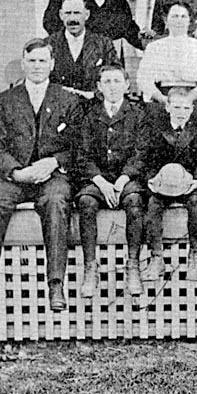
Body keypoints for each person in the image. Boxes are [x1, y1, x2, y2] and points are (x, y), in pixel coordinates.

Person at [0, 39, 82, 316]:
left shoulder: (68, 101)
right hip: (15, 177)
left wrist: (54, 162)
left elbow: (78, 148)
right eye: (32, 61)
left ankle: (55, 285)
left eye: (42, 61)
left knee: (56, 201)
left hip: (52, 177)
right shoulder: (5, 101)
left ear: (52, 64)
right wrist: (17, 172)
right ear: (23, 63)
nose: (37, 66)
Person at [74, 65, 148, 298]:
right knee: (86, 201)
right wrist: (101, 182)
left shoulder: (138, 115)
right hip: (98, 180)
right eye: (107, 82)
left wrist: (124, 178)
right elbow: (82, 155)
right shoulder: (90, 117)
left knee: (135, 200)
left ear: (127, 85)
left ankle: (133, 266)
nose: (112, 87)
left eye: (117, 81)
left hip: (128, 179)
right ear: (98, 87)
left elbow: (142, 153)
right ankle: (90, 267)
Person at [142, 88, 197, 288]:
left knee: (195, 202)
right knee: (153, 204)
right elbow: (147, 161)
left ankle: (194, 254)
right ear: (167, 107)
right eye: (176, 107)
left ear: (192, 109)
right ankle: (156, 256)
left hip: (189, 183)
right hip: (164, 184)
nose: (181, 111)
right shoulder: (157, 130)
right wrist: (154, 180)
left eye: (185, 107)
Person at [137, 1, 197, 106]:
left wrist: (191, 97)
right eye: (175, 16)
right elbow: (144, 79)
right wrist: (161, 98)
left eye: (183, 17)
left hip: (194, 97)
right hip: (163, 97)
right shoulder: (154, 47)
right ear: (166, 20)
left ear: (190, 21)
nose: (179, 21)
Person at [46, 0, 118, 100]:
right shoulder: (49, 44)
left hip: (93, 106)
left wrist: (95, 94)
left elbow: (116, 76)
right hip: (58, 107)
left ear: (87, 15)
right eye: (68, 13)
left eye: (77, 13)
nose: (72, 19)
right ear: (61, 15)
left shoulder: (103, 44)